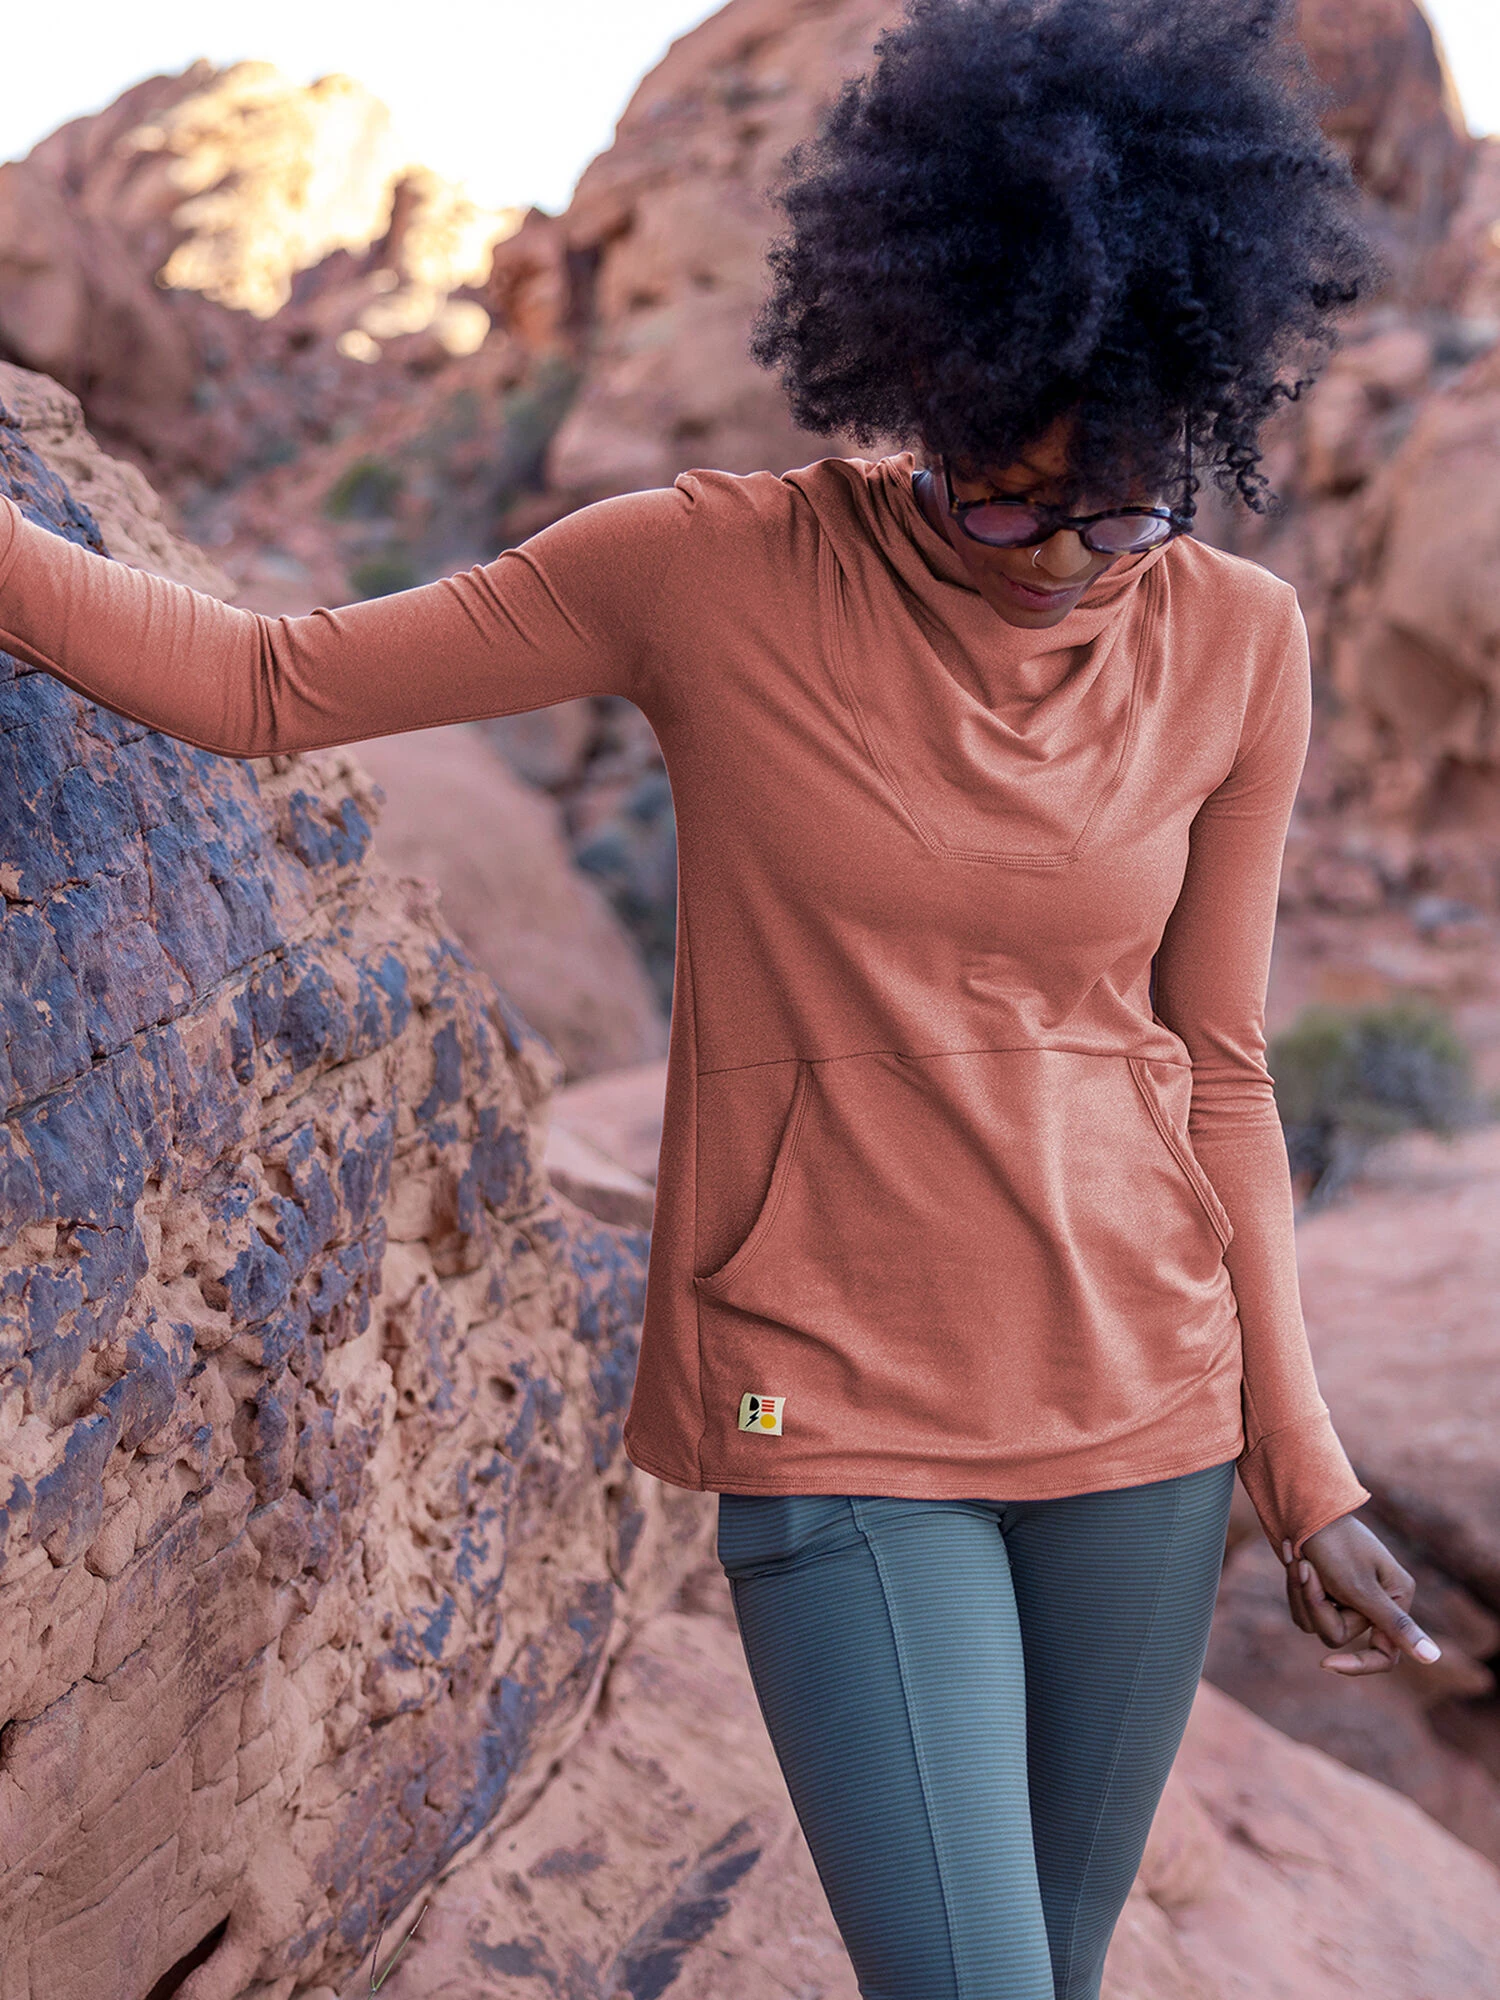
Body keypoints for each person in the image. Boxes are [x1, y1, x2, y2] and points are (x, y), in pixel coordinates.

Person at [0, 0, 1446, 1993]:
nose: (1057, 558)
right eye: (999, 496)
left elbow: (1218, 1064)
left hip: (1145, 1412)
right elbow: (268, 684)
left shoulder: (1239, 640)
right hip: (821, 1394)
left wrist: (1299, 1451)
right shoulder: (705, 572)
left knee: (1055, 1963)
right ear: (924, 388)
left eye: (1120, 509)